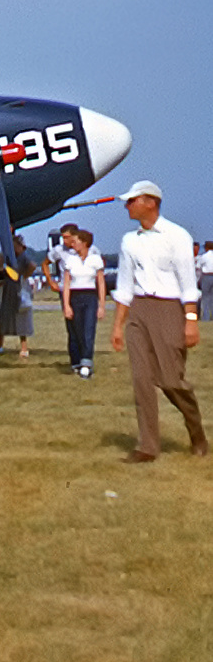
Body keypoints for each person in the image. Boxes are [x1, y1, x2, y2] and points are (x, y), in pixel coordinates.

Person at [109, 181, 205, 462]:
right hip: (139, 310)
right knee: (142, 380)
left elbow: (188, 283)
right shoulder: (130, 241)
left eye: (132, 201)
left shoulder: (177, 236)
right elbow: (125, 286)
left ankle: (196, 431)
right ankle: (148, 446)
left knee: (171, 381)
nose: (127, 206)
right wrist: (118, 326)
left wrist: (190, 321)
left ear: (150, 202)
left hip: (169, 310)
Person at [58, 229, 106, 378]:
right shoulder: (70, 260)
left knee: (88, 330)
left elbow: (101, 283)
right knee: (77, 331)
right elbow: (66, 284)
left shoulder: (95, 259)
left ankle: (87, 363)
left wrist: (102, 305)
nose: (73, 244)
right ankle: (77, 361)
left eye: (76, 241)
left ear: (85, 243)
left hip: (90, 296)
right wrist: (66, 305)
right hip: (75, 295)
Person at [0, 234, 36, 358]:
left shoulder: (23, 257)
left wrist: (23, 276)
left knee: (22, 317)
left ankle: (24, 347)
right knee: (5, 316)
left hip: (20, 289)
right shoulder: (10, 258)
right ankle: (0, 345)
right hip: (10, 288)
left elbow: (32, 266)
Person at [198, 241, 213, 323]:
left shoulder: (204, 256)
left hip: (207, 276)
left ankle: (206, 318)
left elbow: (198, 267)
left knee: (206, 298)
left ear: (206, 247)